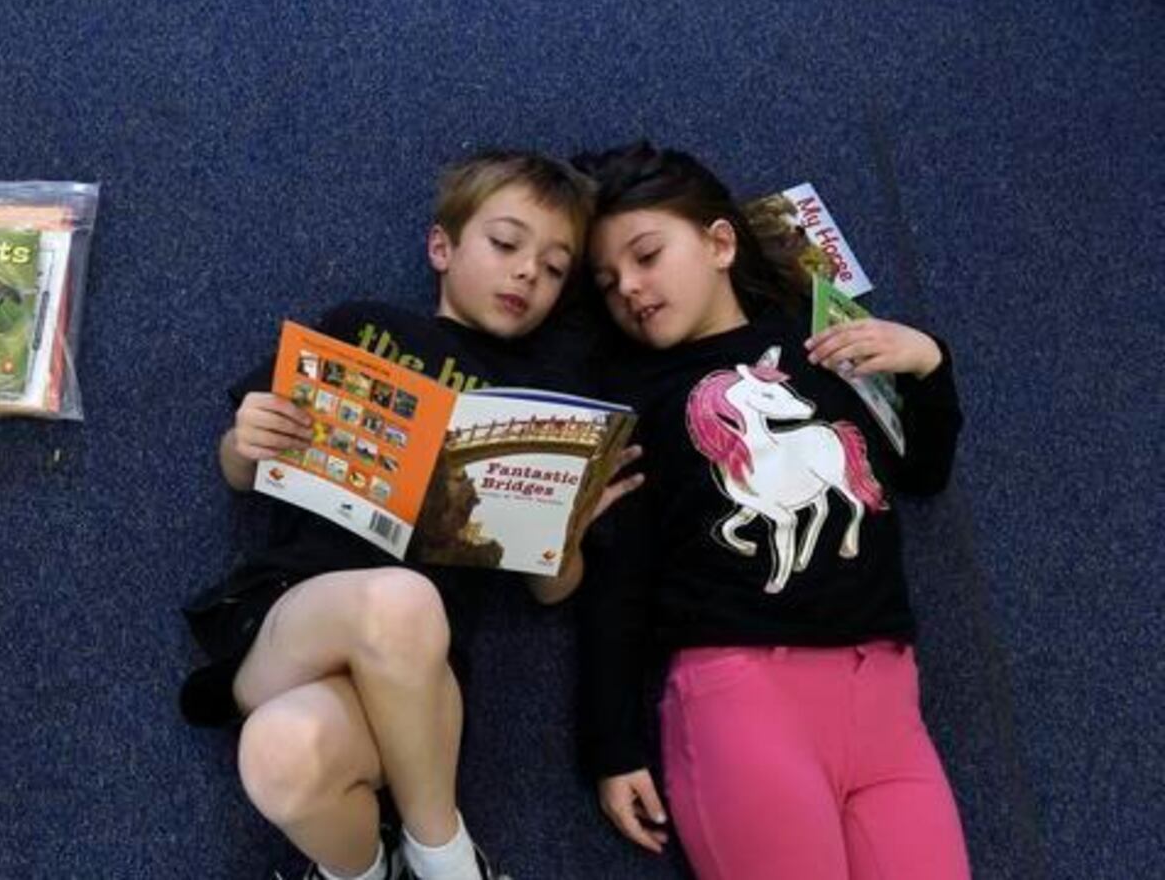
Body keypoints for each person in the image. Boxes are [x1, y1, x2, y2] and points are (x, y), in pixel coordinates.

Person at [180, 150, 640, 880]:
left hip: (420, 685)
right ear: (441, 247)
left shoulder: (544, 398)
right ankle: (447, 857)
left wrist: (567, 535)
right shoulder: (363, 326)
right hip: (291, 621)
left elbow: (552, 591)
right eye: (506, 243)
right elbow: (238, 472)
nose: (528, 273)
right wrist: (244, 440)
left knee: (279, 751)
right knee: (399, 598)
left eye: (555, 269)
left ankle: (363, 872)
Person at [571, 140, 971, 880]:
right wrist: (611, 745)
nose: (628, 286)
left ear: (720, 243)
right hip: (744, 691)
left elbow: (923, 471)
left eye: (647, 255)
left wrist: (928, 361)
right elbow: (618, 579)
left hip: (888, 698)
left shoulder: (819, 340)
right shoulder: (638, 400)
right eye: (606, 281)